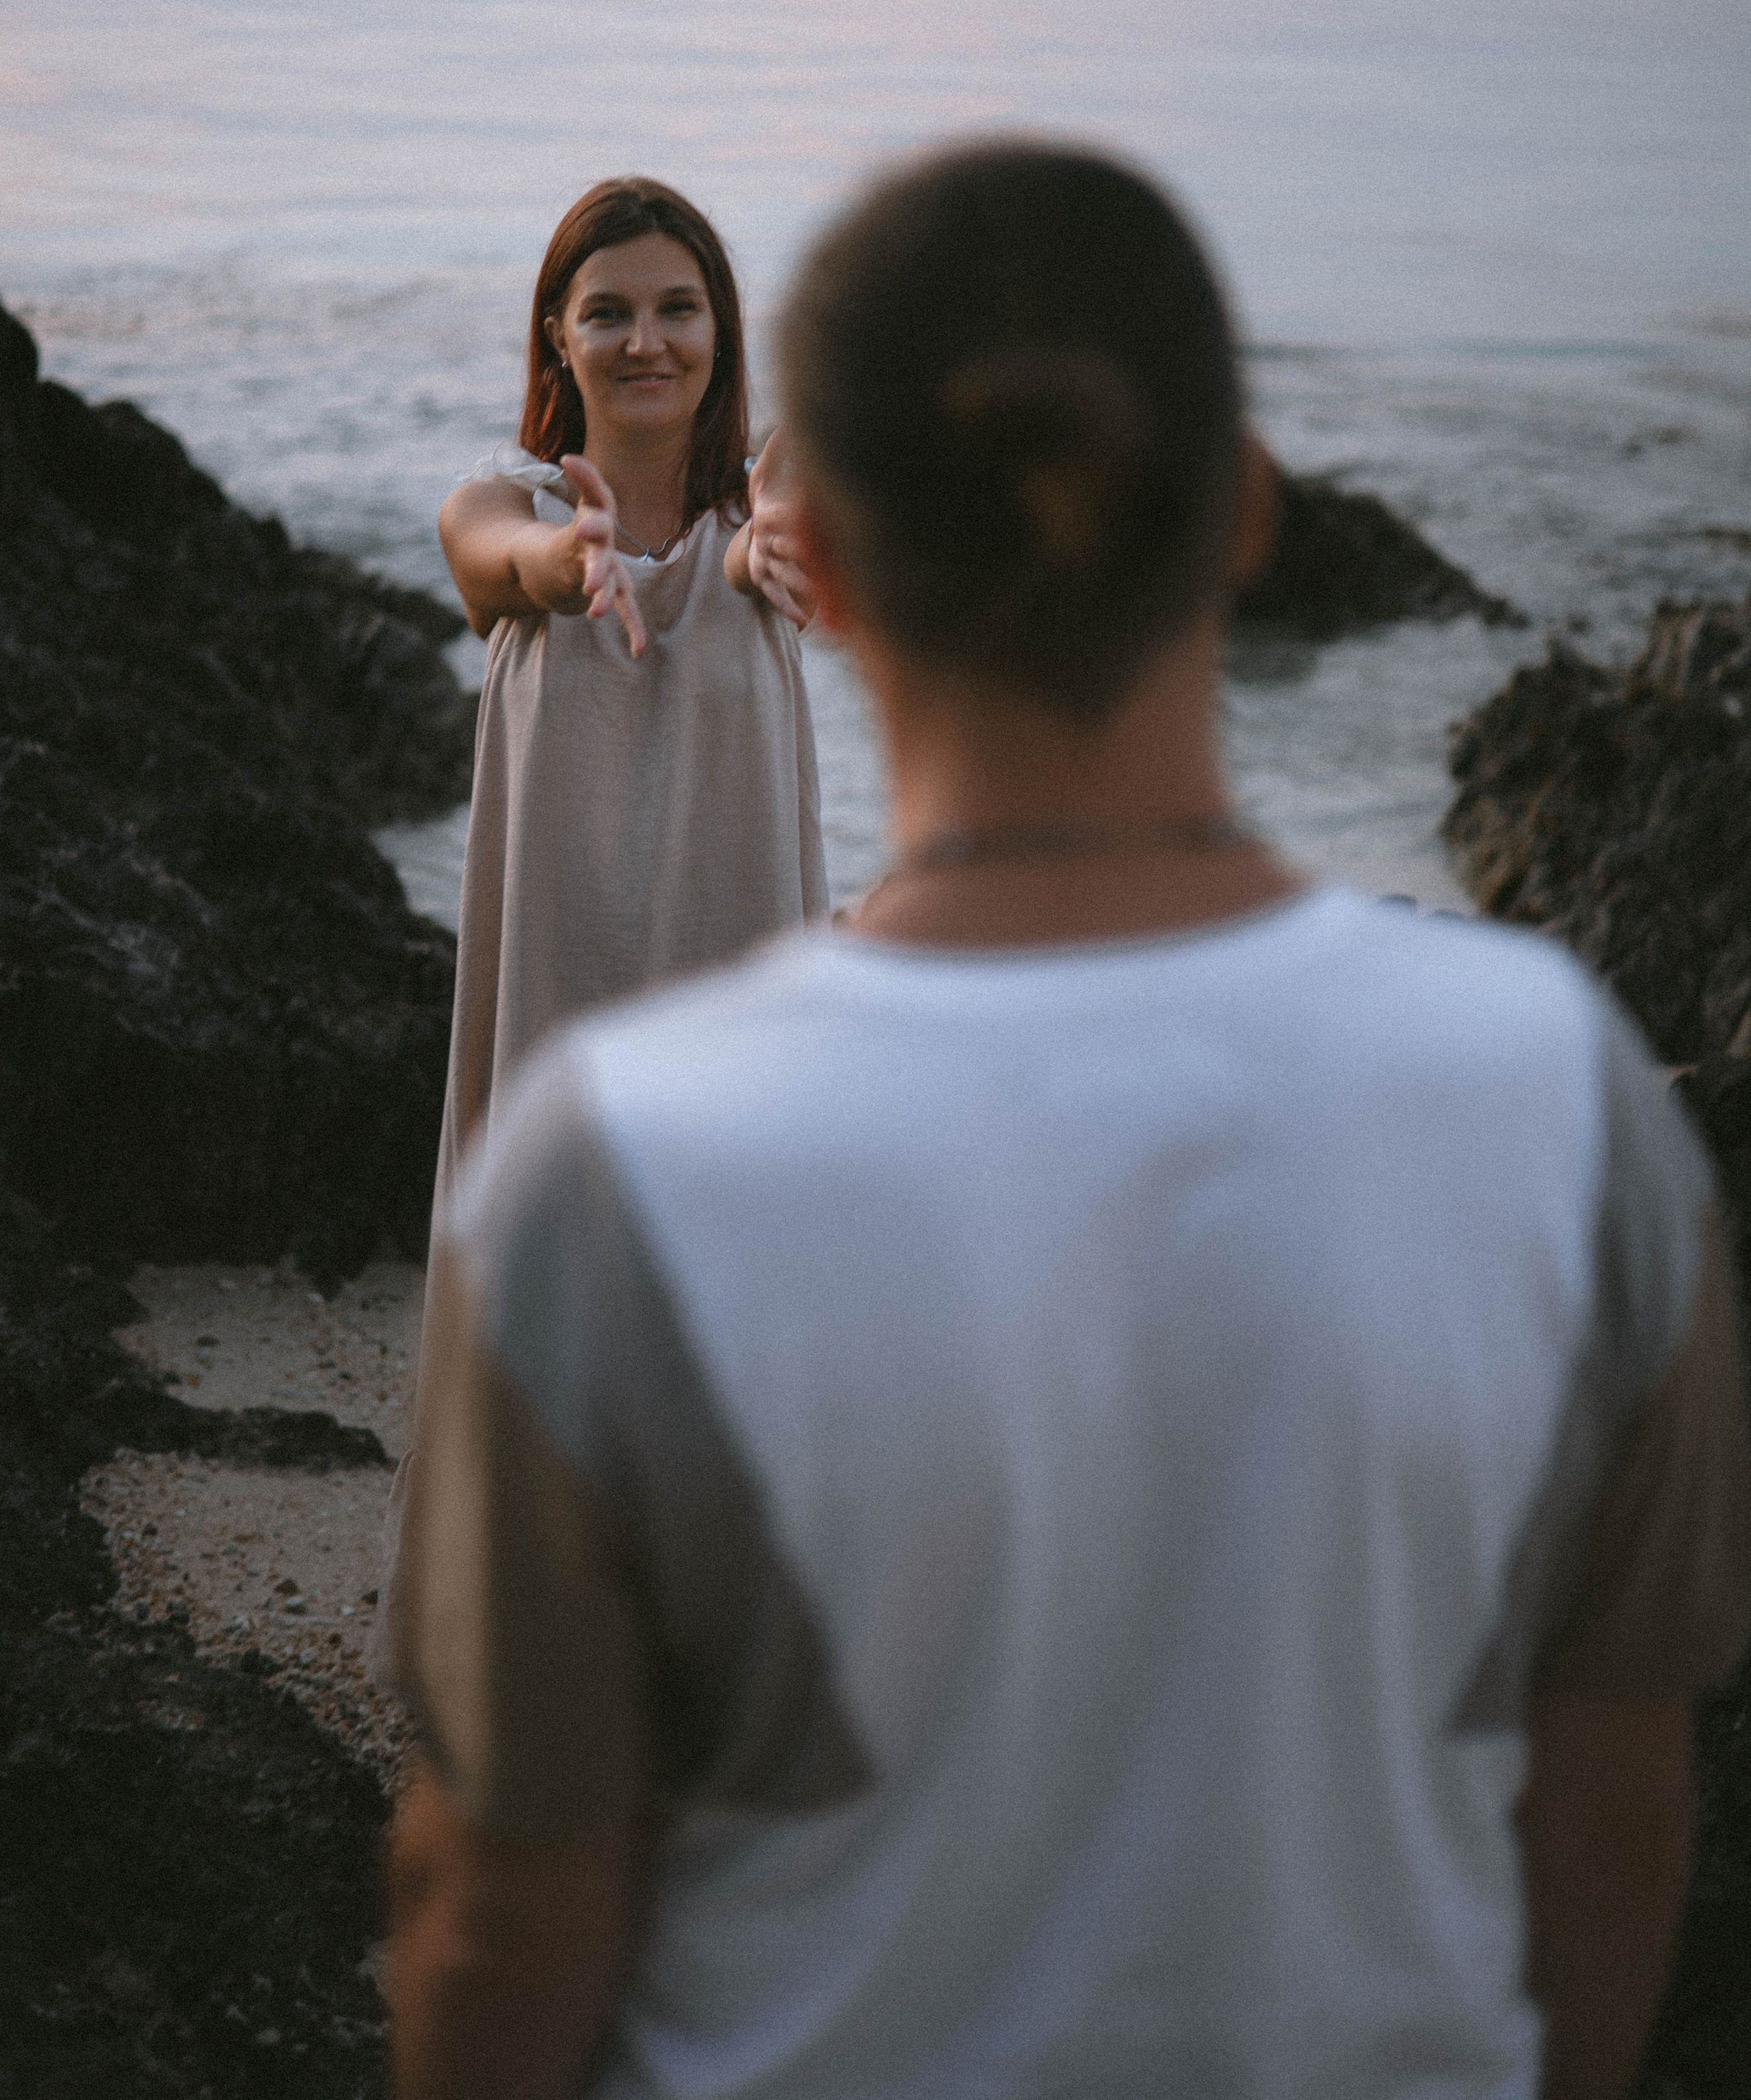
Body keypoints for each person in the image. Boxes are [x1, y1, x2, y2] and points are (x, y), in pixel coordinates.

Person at [384, 141, 1750, 2100]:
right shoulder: (1570, 1105)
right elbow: (1610, 1838)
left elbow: (505, 1920)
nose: (647, 338)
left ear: (828, 563)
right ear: (1250, 511)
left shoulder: (606, 1176)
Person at [374, 176, 828, 1673]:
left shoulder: (766, 513)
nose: (648, 339)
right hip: (561, 961)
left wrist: (764, 554)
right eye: (611, 311)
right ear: (556, 338)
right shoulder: (501, 505)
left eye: (678, 308)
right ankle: (524, 1646)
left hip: (732, 963)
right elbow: (494, 561)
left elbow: (774, 547)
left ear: (720, 331)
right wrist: (572, 567)